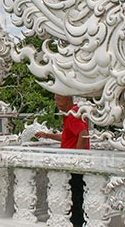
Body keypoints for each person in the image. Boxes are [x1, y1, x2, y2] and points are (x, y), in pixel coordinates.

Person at [35, 94, 89, 227]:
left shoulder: (73, 115)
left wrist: (77, 156)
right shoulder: (71, 114)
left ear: (67, 99)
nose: (56, 102)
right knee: (74, 195)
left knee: (75, 197)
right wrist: (47, 135)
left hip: (74, 164)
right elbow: (67, 138)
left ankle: (77, 223)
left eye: (58, 99)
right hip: (72, 163)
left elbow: (83, 133)